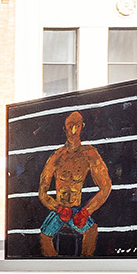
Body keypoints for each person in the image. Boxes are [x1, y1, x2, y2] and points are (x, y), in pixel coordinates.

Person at [37, 110, 112, 257]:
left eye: (77, 126)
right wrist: (57, 208)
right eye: (70, 126)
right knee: (45, 237)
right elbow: (42, 190)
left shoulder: (89, 154)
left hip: (78, 211)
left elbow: (106, 187)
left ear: (82, 127)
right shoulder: (56, 156)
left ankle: (84, 270)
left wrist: (86, 211)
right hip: (59, 210)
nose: (73, 130)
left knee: (91, 232)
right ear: (64, 129)